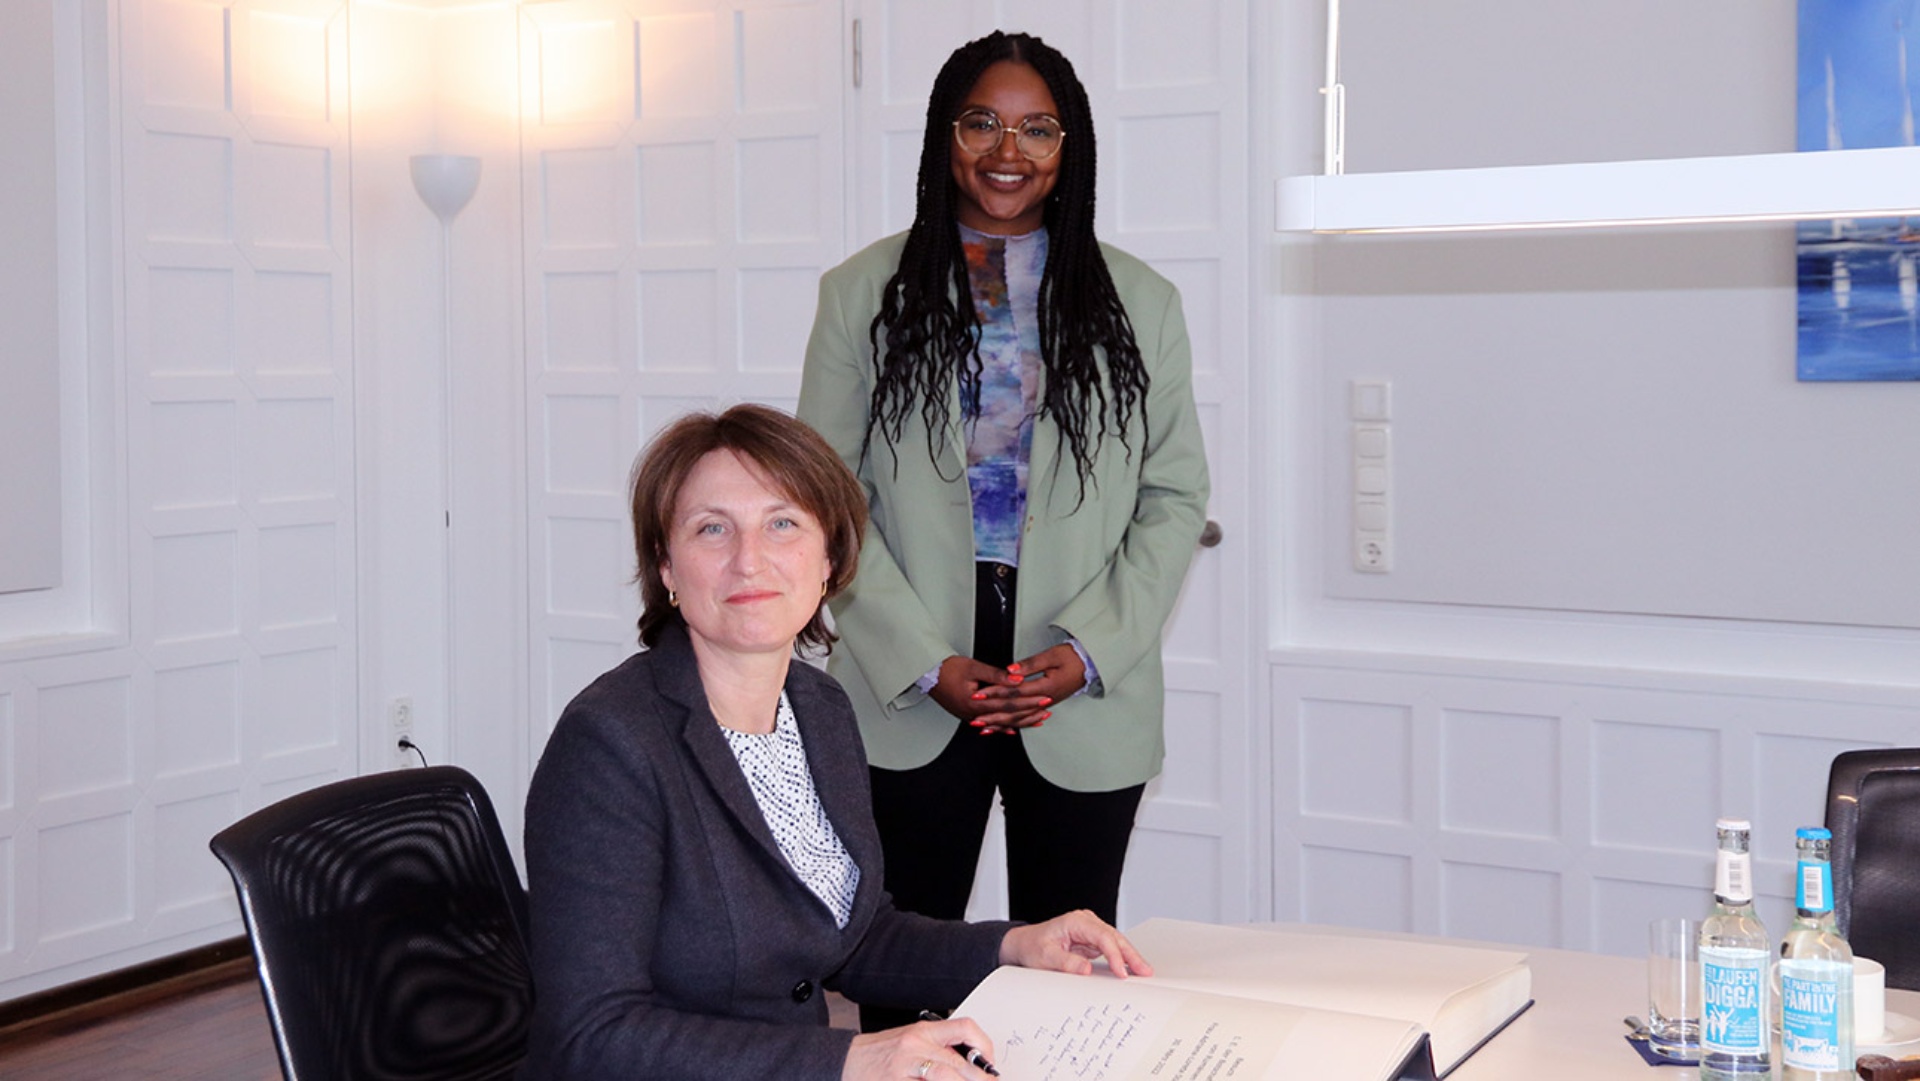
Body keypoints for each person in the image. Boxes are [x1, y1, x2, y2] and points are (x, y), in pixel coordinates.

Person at [519, 403, 1150, 1081]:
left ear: (829, 558)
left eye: (783, 523)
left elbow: (857, 936)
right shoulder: (611, 741)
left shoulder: (818, 709)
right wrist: (850, 1056)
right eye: (711, 529)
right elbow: (590, 1033)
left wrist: (1015, 944)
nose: (749, 560)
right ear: (666, 567)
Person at [796, 32, 1209, 1030]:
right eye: (980, 120)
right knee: (903, 966)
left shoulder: (1140, 302)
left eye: (1036, 127)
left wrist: (1089, 650)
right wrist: (919, 656)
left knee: (1071, 974)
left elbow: (1175, 495)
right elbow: (825, 491)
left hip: (1076, 684)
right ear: (946, 136)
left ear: (1070, 148)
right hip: (914, 678)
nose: (1005, 149)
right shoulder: (862, 293)